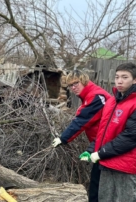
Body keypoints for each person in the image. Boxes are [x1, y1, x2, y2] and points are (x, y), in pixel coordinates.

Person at [81, 62, 136, 202]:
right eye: (117, 77)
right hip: (106, 160)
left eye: (124, 77)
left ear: (135, 80)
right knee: (103, 198)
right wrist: (92, 149)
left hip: (125, 165)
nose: (119, 81)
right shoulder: (112, 101)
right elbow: (104, 131)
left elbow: (130, 137)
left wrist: (101, 153)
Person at [51, 69, 111, 202]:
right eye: (70, 85)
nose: (73, 87)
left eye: (76, 83)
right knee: (97, 181)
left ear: (84, 81)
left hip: (106, 143)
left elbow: (81, 121)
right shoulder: (89, 95)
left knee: (100, 183)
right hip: (100, 143)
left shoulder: (96, 96)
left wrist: (63, 138)